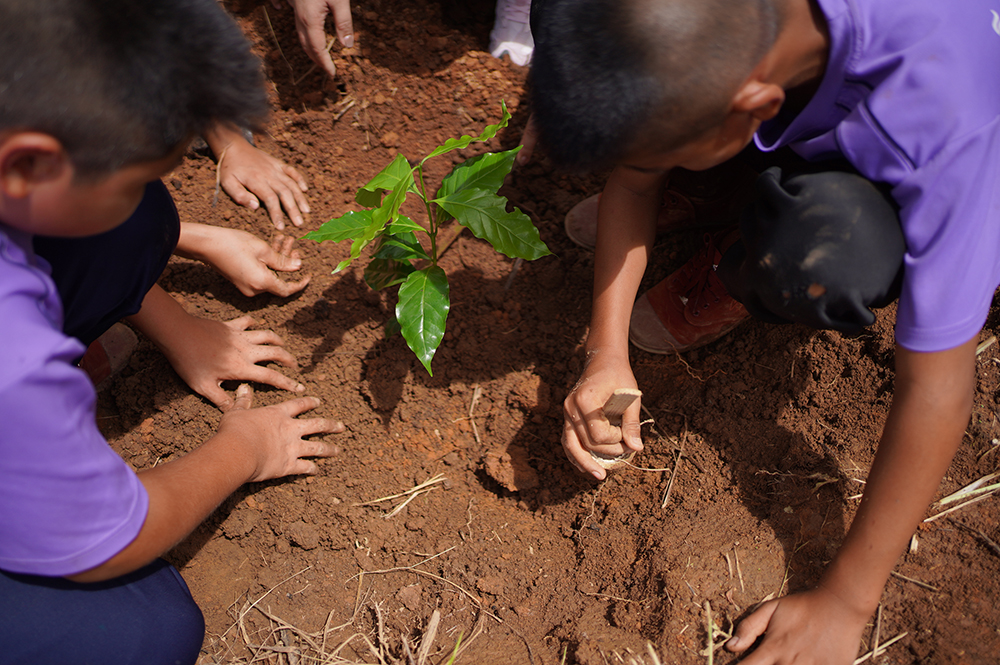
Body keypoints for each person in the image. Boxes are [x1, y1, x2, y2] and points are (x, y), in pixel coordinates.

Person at [530, 0, 1000, 663]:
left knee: (825, 257)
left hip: (896, 160)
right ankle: (713, 176)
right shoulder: (729, 38)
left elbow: (939, 388)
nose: (625, 178)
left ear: (752, 106)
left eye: (660, 163)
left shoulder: (950, 131)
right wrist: (606, 352)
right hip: (790, 102)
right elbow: (630, 180)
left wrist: (845, 601)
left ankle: (748, 248)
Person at [0, 1, 344, 663]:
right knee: (143, 632)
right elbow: (109, 543)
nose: (147, 188)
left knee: (140, 225)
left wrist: (179, 312)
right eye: (131, 179)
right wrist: (245, 447)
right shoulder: (13, 355)